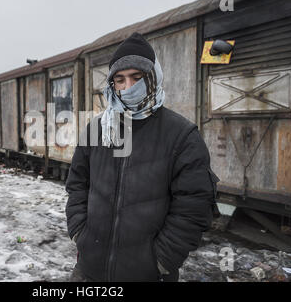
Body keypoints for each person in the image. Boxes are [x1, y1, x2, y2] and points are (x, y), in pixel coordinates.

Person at [65, 32, 220, 282]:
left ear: (153, 77)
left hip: (148, 275)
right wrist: (80, 234)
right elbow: (77, 186)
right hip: (89, 271)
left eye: (137, 78)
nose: (128, 87)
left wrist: (159, 261)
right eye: (120, 79)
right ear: (112, 83)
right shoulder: (97, 129)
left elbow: (194, 206)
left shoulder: (181, 135)